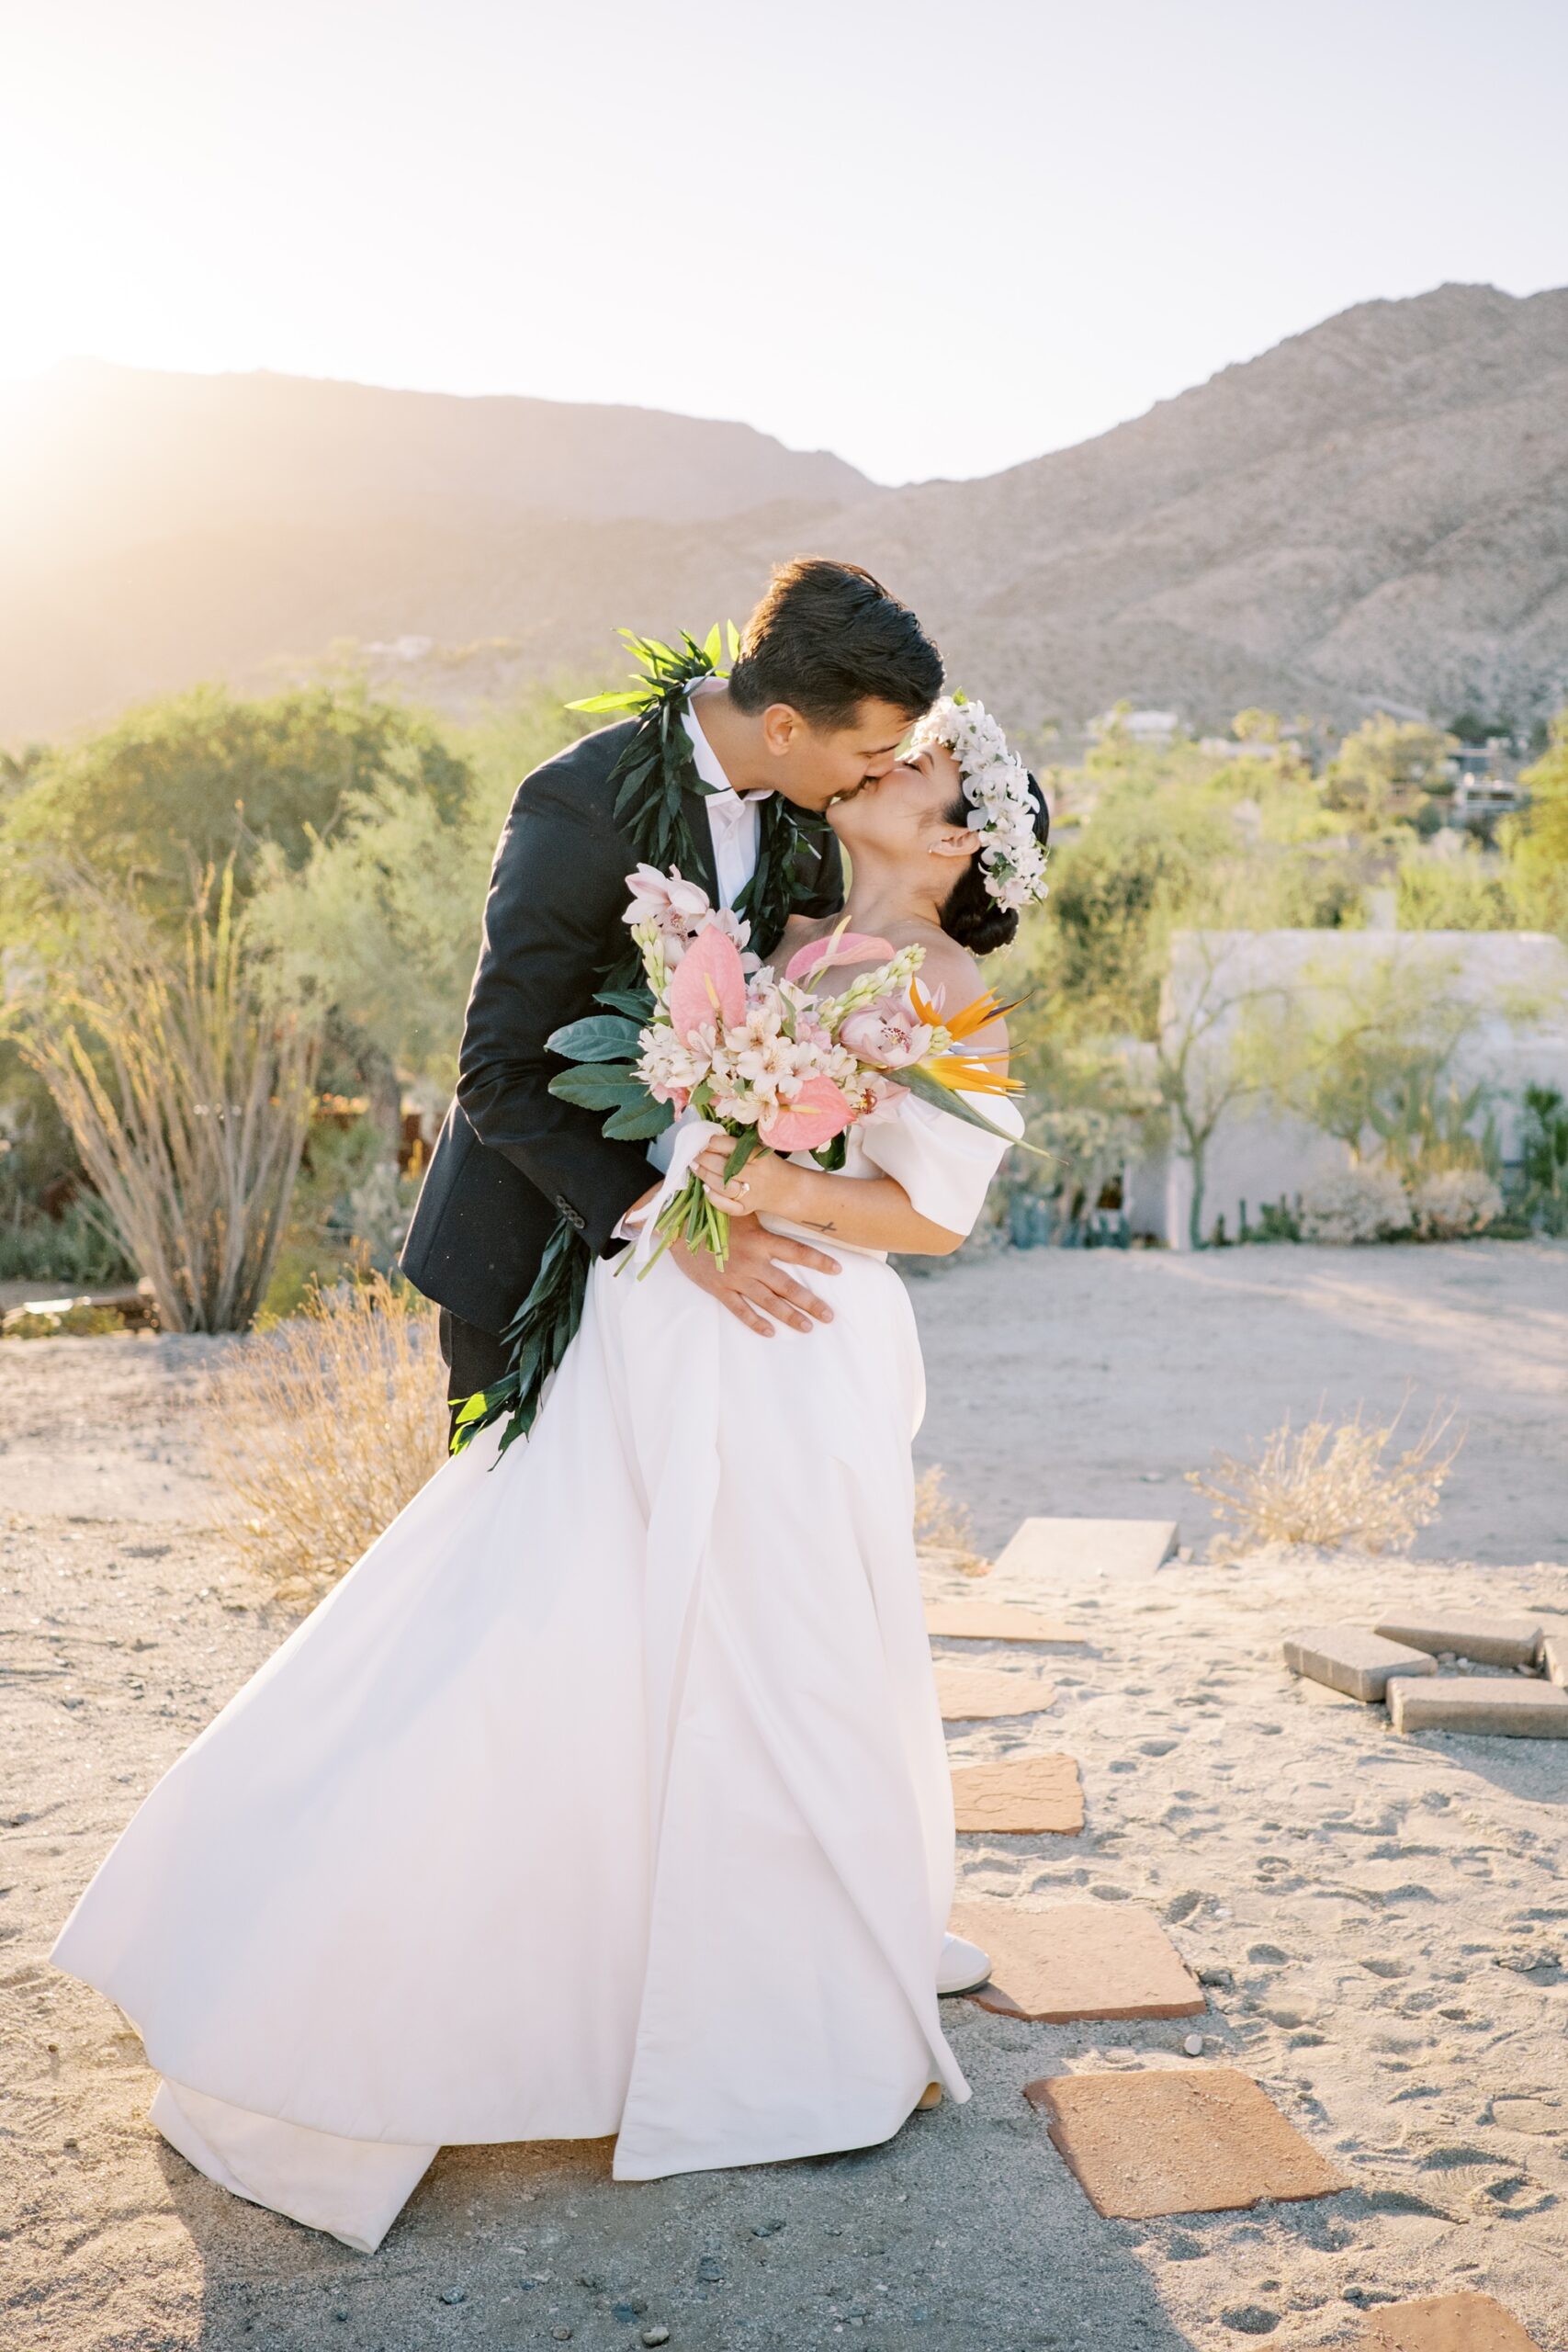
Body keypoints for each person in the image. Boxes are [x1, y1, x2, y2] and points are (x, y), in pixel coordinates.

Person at [51, 630, 1051, 2253]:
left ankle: (775, 1962)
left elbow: (929, 1208)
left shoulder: (925, 969)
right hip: (632, 1292)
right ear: (792, 723)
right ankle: (378, 1964)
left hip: (786, 1330)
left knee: (777, 1647)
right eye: (878, 747)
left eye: (918, 767)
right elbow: (519, 1066)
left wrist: (758, 1192)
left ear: (956, 840)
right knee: (553, 1614)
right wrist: (693, 1194)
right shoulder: (721, 872)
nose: (886, 768)